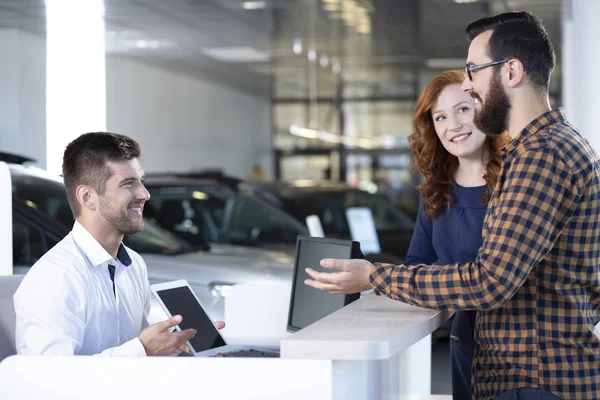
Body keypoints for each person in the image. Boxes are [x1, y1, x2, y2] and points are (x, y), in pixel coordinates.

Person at [305, 11, 600, 400]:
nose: (468, 84)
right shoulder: (546, 148)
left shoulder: (540, 156)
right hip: (525, 373)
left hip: (536, 379)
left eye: (474, 70)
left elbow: (490, 281)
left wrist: (374, 277)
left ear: (510, 72)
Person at [14, 132, 224, 356]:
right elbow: (51, 379)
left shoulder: (134, 264)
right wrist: (142, 349)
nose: (144, 194)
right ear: (87, 197)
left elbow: (137, 353)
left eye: (141, 181)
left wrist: (172, 346)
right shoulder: (56, 276)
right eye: (128, 183)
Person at [405, 69, 509, 399]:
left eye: (463, 109)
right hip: (465, 345)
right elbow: (415, 265)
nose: (454, 125)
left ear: (485, 110)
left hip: (518, 351)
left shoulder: (515, 182)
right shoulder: (436, 193)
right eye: (440, 117)